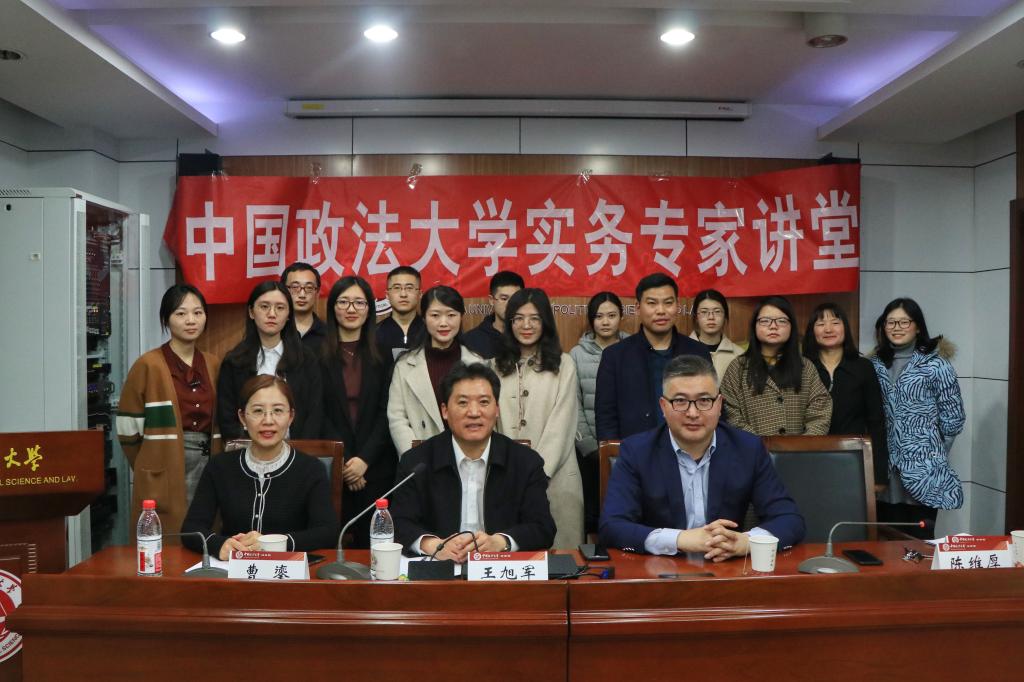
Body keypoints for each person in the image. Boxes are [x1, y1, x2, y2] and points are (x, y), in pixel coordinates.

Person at [600, 355, 805, 556]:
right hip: (660, 568)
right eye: (680, 401)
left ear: (719, 404)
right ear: (663, 406)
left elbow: (789, 519)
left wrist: (746, 542)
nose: (693, 413)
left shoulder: (748, 448)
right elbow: (612, 526)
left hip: (726, 567)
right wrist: (680, 539)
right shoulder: (637, 451)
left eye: (704, 400)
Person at [390, 362, 557, 561]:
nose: (474, 412)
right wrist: (434, 545)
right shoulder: (416, 462)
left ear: (497, 409)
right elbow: (399, 522)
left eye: (484, 402)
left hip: (499, 571)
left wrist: (501, 542)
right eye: (463, 403)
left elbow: (543, 527)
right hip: (438, 570)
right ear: (445, 411)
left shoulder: (525, 462)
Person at [182, 375, 339, 560]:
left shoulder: (311, 469)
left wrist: (274, 544)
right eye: (258, 411)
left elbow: (327, 532)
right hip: (235, 570)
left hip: (288, 572)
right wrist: (219, 545)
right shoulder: (219, 467)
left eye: (278, 411)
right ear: (242, 417)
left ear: (291, 417)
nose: (268, 420)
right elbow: (191, 529)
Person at [117, 284, 222, 542]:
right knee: (167, 536)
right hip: (165, 461)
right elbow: (127, 429)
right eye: (181, 313)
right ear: (166, 319)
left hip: (209, 459)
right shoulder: (148, 364)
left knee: (207, 530)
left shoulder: (213, 363)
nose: (191, 320)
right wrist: (150, 461)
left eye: (198, 313)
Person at [494, 288, 583, 549]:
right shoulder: (494, 366)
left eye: (535, 318)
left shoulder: (564, 364)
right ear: (509, 322)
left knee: (561, 558)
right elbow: (492, 424)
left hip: (556, 477)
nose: (527, 325)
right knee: (511, 552)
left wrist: (536, 474)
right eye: (519, 318)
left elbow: (562, 424)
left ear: (546, 322)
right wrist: (510, 473)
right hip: (506, 478)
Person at [871, 298, 965, 535]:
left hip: (925, 472)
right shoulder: (874, 365)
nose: (897, 327)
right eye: (891, 322)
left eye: (904, 322)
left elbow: (953, 419)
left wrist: (931, 454)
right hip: (884, 471)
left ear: (918, 327)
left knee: (920, 542)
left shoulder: (936, 365)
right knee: (885, 540)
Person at [320, 275, 397, 547]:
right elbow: (318, 412)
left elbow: (388, 410)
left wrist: (363, 460)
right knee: (332, 547)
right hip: (333, 468)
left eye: (359, 303)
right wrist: (344, 460)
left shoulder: (383, 354)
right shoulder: (316, 354)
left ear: (369, 309)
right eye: (344, 302)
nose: (351, 309)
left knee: (375, 546)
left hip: (376, 467)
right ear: (333, 308)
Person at [595, 273, 711, 441]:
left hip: (690, 449)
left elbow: (711, 407)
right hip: (635, 452)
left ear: (677, 305)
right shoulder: (614, 356)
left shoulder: (698, 352)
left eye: (668, 303)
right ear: (638, 307)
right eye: (652, 303)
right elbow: (606, 419)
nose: (661, 310)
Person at [217, 281, 322, 441]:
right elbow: (227, 417)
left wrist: (301, 450)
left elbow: (315, 413)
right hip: (248, 450)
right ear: (251, 312)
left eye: (280, 308)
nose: (272, 314)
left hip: (297, 450)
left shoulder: (306, 359)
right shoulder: (234, 361)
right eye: (264, 306)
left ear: (289, 315)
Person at [802, 302, 889, 490]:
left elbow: (876, 422)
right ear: (812, 331)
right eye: (820, 324)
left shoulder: (863, 367)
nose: (828, 329)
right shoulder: (802, 367)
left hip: (853, 458)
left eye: (835, 322)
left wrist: (878, 475)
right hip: (810, 457)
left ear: (845, 328)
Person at [388, 286, 483, 456]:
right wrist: (415, 459)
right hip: (422, 459)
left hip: (469, 456)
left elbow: (486, 415)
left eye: (451, 315)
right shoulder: (405, 365)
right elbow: (397, 418)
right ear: (424, 318)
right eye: (435, 315)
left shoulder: (478, 363)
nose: (443, 323)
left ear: (461, 316)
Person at [720, 295, 831, 436]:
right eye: (765, 321)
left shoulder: (806, 367)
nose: (773, 326)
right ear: (754, 326)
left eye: (781, 321)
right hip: (751, 448)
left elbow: (821, 411)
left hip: (799, 448)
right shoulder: (737, 368)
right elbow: (730, 414)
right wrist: (757, 444)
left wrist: (803, 444)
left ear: (791, 327)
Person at [570, 291, 627, 534]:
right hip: (590, 450)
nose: (605, 322)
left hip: (628, 447)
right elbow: (574, 403)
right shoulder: (577, 354)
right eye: (599, 316)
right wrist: (590, 446)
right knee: (592, 515)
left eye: (611, 316)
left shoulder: (632, 349)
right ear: (591, 319)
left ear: (621, 317)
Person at [461, 270, 524, 359]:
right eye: (504, 298)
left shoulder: (529, 335)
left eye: (515, 298)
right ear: (491, 300)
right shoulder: (471, 340)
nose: (510, 304)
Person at [688, 289, 744, 380]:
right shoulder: (682, 350)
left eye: (717, 311)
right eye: (704, 312)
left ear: (725, 316)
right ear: (696, 317)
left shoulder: (739, 354)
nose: (711, 317)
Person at [376, 265, 425, 360]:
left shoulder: (430, 331)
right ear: (387, 295)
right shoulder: (374, 334)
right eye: (397, 288)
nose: (403, 294)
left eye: (409, 288)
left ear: (419, 294)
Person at [281, 261, 326, 353]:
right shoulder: (273, 331)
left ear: (317, 293)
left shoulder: (329, 334)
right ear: (283, 290)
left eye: (309, 288)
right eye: (295, 287)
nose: (302, 295)